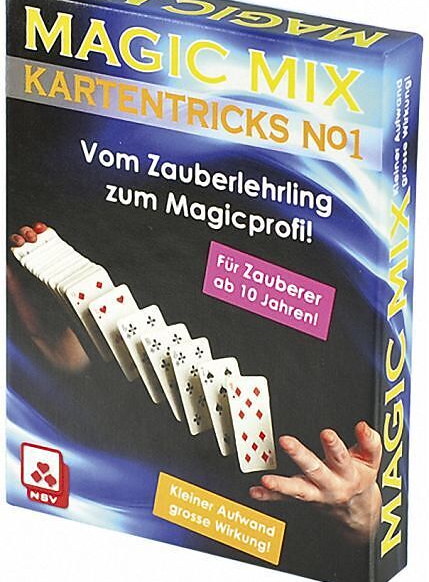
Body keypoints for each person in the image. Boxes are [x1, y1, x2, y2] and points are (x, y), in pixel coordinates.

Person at [8, 221, 383, 545]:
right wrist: (67, 349)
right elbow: (114, 348)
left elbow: (370, 527)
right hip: (137, 502)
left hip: (251, 532)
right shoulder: (147, 230)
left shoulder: (353, 296)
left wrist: (356, 503)